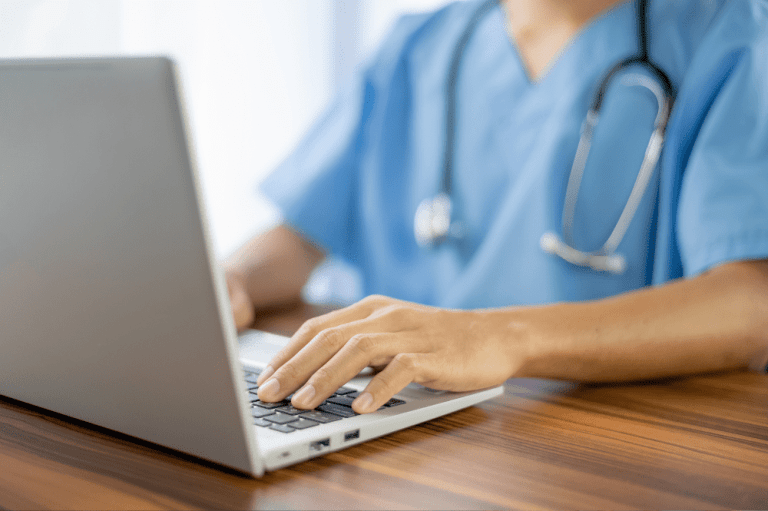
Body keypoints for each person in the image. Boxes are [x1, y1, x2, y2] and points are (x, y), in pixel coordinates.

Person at [224, 0, 768, 415]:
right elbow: (297, 236)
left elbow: (752, 299)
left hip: (595, 432)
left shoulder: (734, 34)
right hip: (393, 420)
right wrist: (230, 282)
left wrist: (502, 336)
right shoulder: (422, 43)